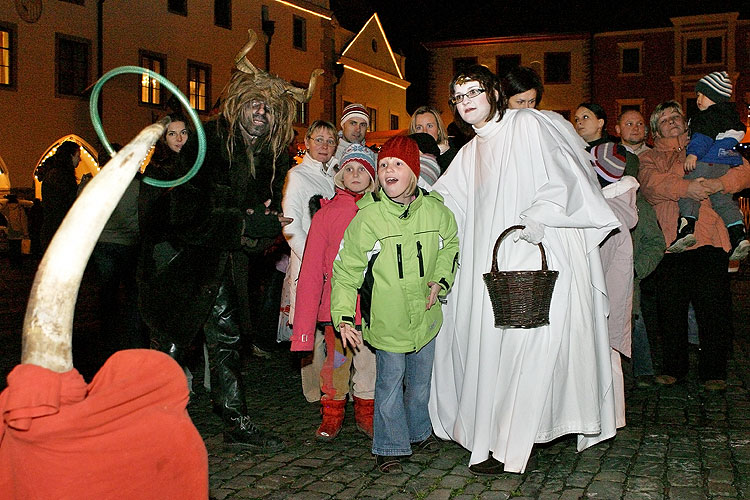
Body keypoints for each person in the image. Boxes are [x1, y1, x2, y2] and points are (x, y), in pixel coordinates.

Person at [429, 65, 620, 475]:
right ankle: (499, 435)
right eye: (458, 98)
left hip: (534, 253)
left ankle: (514, 441)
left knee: (526, 348)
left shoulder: (527, 123)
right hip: (493, 265)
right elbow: (446, 202)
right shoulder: (472, 150)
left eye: (473, 92)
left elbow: (565, 175)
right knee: (495, 348)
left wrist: (540, 216)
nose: (466, 104)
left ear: (494, 92)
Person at [138, 33, 322, 450]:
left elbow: (259, 222)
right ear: (239, 103)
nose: (263, 111)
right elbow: (181, 214)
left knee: (227, 341)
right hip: (179, 263)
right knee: (169, 344)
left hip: (223, 266)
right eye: (256, 102)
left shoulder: (271, 159)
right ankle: (146, 422)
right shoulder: (206, 142)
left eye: (271, 108)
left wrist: (263, 231)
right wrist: (241, 224)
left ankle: (235, 421)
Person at [331, 136, 459, 474]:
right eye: (384, 164)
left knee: (420, 384)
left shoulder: (436, 211)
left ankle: (418, 431)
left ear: (414, 172)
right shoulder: (368, 219)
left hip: (426, 318)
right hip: (387, 320)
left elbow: (451, 247)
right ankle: (388, 446)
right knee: (389, 384)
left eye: (397, 164)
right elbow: (346, 271)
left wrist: (440, 279)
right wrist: (344, 317)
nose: (388, 169)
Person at [639, 101, 750, 391]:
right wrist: (688, 188)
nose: (672, 121)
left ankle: (714, 370)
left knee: (714, 309)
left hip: (710, 237)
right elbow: (651, 185)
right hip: (671, 243)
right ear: (654, 131)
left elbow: (744, 170)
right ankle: (674, 368)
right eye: (664, 119)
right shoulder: (650, 157)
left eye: (676, 116)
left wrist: (719, 185)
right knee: (671, 310)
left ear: (686, 122)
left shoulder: (710, 145)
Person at [291, 144, 378, 441]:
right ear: (340, 175)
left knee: (368, 364)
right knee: (337, 364)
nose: (355, 174)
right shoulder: (326, 216)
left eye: (362, 170)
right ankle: (332, 415)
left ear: (372, 177)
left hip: (369, 308)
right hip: (338, 312)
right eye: (350, 168)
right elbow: (313, 270)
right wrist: (303, 327)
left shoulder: (380, 212)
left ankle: (367, 414)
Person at [278, 120, 338, 402]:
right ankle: (313, 390)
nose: (324, 145)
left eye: (330, 141)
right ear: (308, 142)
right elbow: (291, 226)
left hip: (335, 262)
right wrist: (315, 258)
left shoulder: (337, 173)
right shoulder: (298, 175)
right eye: (319, 139)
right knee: (310, 325)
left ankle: (335, 384)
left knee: (333, 323)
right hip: (309, 262)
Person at [669, 71, 749, 259]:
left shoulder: (705, 117)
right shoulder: (732, 117)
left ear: (713, 96)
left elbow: (702, 137)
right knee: (722, 200)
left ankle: (687, 228)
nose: (697, 99)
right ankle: (739, 234)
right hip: (724, 164)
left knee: (689, 190)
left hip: (705, 160)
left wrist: (693, 155)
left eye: (701, 95)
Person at [39, 141, 80, 251]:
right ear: (70, 156)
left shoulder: (52, 174)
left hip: (51, 230)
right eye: (78, 155)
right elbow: (67, 203)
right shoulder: (63, 177)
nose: (79, 159)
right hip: (61, 230)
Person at [409, 105, 459, 171]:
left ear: (438, 129)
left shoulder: (453, 154)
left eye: (429, 126)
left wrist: (445, 155)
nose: (425, 131)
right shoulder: (406, 156)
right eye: (419, 127)